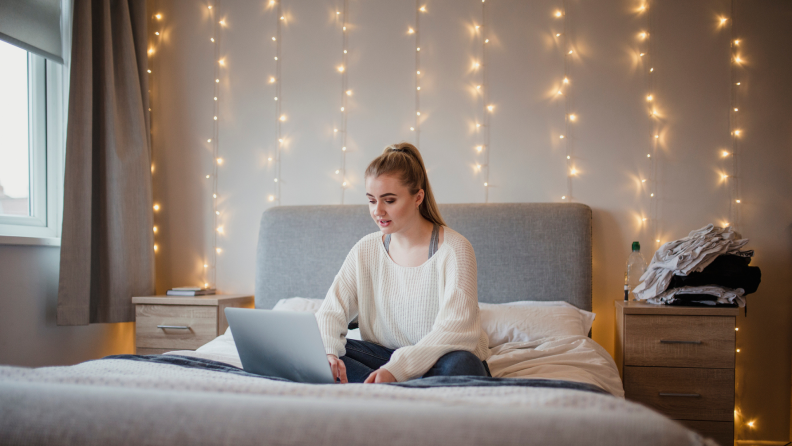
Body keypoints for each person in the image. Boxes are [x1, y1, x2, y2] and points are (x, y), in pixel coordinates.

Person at [315, 142, 492, 384]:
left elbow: (457, 329)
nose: (378, 211)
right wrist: (328, 353)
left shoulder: (454, 249)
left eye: (389, 200)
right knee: (315, 351)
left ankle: (383, 389)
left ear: (418, 197)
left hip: (440, 358)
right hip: (384, 358)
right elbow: (331, 311)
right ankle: (397, 391)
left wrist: (398, 370)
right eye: (371, 200)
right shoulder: (365, 249)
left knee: (463, 364)